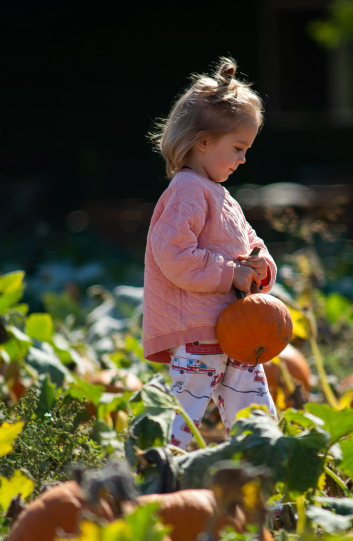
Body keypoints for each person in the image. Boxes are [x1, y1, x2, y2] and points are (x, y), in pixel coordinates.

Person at [142, 58, 279, 448]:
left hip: (236, 331)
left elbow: (251, 242)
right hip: (200, 331)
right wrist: (229, 274)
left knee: (256, 415)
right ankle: (161, 482)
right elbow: (174, 255)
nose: (243, 158)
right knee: (183, 419)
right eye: (238, 147)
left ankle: (268, 485)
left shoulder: (222, 196)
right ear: (203, 141)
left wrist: (259, 267)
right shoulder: (187, 190)